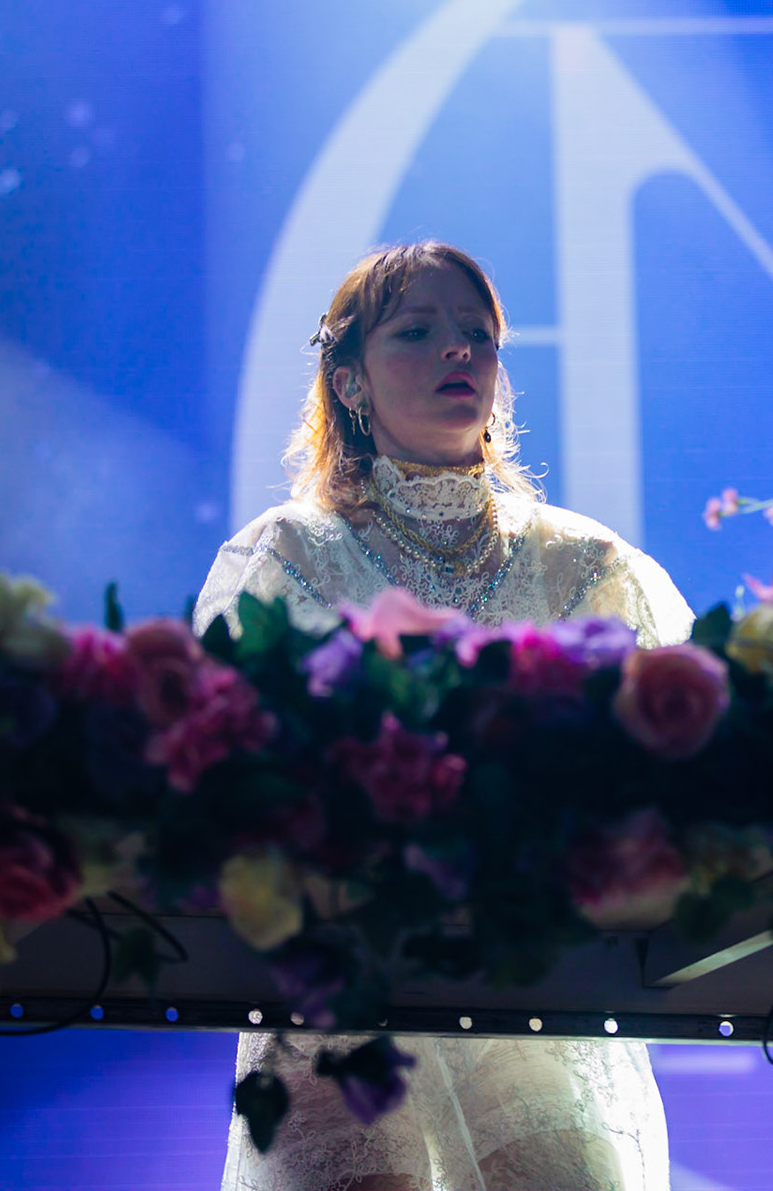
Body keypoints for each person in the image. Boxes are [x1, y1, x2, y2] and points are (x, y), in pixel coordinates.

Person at [199, 242, 693, 1191]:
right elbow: (234, 770)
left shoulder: (585, 564)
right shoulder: (286, 553)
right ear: (347, 378)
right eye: (417, 331)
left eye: (477, 335)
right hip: (340, 980)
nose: (456, 353)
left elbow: (673, 772)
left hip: (531, 988)